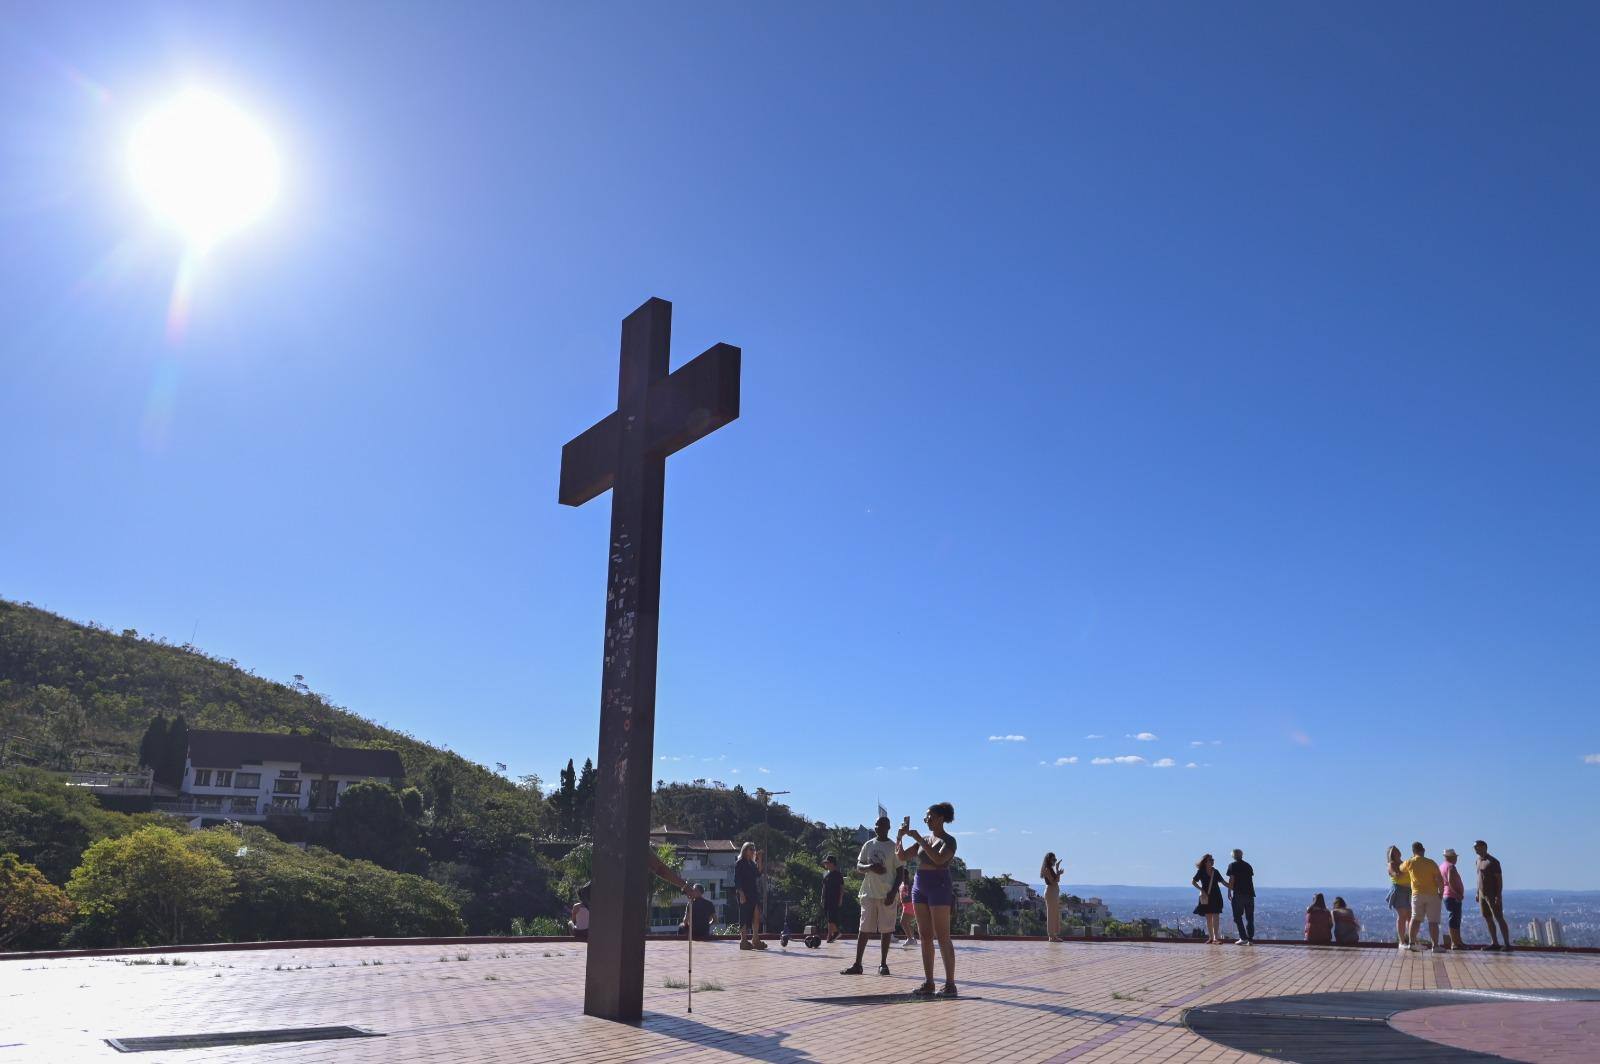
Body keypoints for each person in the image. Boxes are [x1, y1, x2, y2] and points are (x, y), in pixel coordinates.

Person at [898, 802, 959, 997]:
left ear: (940, 818)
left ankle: (950, 984)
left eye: (929, 817)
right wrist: (900, 837)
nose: (926, 820)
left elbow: (939, 859)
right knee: (924, 936)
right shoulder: (923, 838)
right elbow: (902, 856)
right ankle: (929, 982)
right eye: (925, 817)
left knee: (942, 936)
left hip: (939, 886)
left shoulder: (949, 841)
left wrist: (919, 840)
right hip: (919, 886)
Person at [842, 815, 901, 976]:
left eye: (881, 825)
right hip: (868, 893)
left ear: (888, 827)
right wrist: (870, 867)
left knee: (886, 930)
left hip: (887, 894)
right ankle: (857, 964)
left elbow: (901, 873)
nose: (877, 828)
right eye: (876, 825)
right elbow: (859, 866)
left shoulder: (894, 847)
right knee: (864, 929)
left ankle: (883, 964)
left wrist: (893, 893)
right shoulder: (868, 845)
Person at [1401, 841, 1444, 952]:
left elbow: (1400, 869)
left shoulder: (1410, 862)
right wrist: (1441, 892)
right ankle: (1435, 946)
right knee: (1433, 921)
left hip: (1417, 894)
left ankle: (1411, 943)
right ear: (1423, 850)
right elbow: (1439, 879)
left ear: (1413, 851)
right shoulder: (1431, 863)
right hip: (1432, 895)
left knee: (1415, 919)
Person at [1474, 840, 1513, 952]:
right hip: (1482, 894)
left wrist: (1498, 895)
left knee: (1498, 917)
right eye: (1475, 848)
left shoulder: (1493, 862)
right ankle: (1494, 942)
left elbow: (1499, 879)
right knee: (1487, 917)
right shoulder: (1477, 861)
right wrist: (1477, 892)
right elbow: (1479, 878)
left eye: (1477, 847)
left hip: (1492, 893)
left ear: (1484, 847)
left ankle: (1507, 944)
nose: (1476, 849)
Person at [734, 842, 768, 951]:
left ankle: (755, 939)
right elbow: (737, 879)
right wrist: (741, 893)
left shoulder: (752, 864)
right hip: (743, 892)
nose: (753, 851)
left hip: (753, 892)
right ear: (745, 850)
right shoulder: (740, 863)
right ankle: (743, 941)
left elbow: (758, 873)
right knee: (744, 916)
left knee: (756, 914)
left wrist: (760, 859)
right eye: (750, 849)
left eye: (753, 849)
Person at [1192, 854, 1226, 944]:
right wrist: (1201, 890)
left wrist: (1232, 887)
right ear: (1206, 862)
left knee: (1216, 917)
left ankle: (1215, 938)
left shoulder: (1216, 872)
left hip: (1216, 896)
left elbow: (1223, 882)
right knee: (1208, 917)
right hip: (1206, 896)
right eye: (1210, 860)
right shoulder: (1201, 871)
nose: (1212, 861)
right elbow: (1193, 882)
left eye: (1212, 859)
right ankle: (1211, 937)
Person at [1225, 848, 1256, 945]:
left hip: (1238, 894)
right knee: (1249, 918)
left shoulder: (1232, 866)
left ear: (1233, 856)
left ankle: (1243, 938)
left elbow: (1232, 879)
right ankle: (1250, 939)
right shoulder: (1248, 866)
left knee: (1237, 917)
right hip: (1250, 894)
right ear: (1241, 855)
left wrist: (1229, 891)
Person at [1440, 848, 1466, 950]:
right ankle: (1455, 943)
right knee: (1455, 919)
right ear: (1451, 857)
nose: (1456, 859)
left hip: (1446, 895)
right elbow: (1451, 881)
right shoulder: (1451, 867)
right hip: (1452, 896)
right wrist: (1457, 894)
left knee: (1454, 919)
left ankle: (1458, 941)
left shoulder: (1442, 866)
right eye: (1455, 857)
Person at [1386, 845, 1412, 947]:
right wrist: (1396, 873)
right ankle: (1401, 941)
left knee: (1410, 917)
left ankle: (1411, 940)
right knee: (1402, 916)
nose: (1398, 852)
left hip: (1409, 891)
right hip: (1399, 891)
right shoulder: (1391, 864)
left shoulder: (1403, 863)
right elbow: (1392, 873)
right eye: (1395, 851)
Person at [820, 855, 845, 944]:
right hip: (827, 899)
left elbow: (841, 888)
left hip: (835, 899)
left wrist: (840, 899)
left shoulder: (838, 875)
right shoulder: (825, 874)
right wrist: (822, 898)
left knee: (831, 918)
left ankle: (830, 936)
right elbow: (824, 887)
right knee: (829, 918)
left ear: (832, 863)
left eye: (827, 863)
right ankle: (836, 933)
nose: (826, 864)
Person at [1041, 852, 1064, 942]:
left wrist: (1057, 869)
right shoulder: (1047, 869)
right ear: (1048, 860)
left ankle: (1054, 935)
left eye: (1055, 859)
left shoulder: (1050, 869)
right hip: (1050, 893)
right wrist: (1058, 873)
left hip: (1054, 892)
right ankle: (1051, 936)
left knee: (1054, 914)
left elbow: (1057, 880)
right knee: (1051, 914)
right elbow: (1052, 882)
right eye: (1053, 859)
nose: (1054, 861)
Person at [898, 877, 919, 948]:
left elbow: (911, 893)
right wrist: (900, 904)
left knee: (903, 922)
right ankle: (913, 939)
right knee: (908, 923)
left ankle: (910, 939)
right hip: (905, 905)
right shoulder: (901, 884)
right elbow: (902, 895)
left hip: (910, 904)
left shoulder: (909, 883)